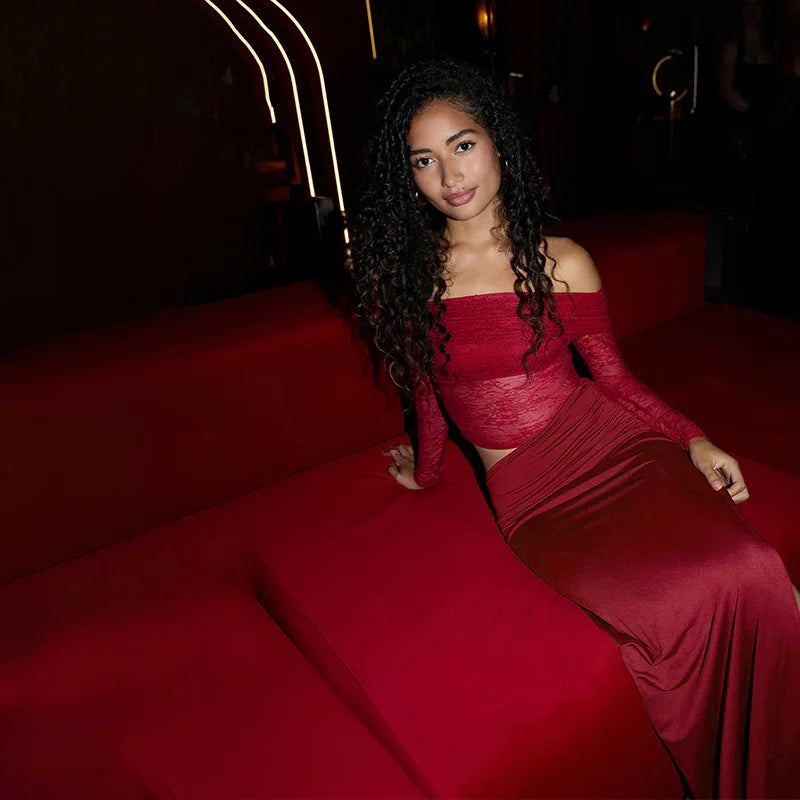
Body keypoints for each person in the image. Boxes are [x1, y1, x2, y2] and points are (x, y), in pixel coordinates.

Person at [350, 58, 800, 798]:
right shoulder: (408, 279)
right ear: (409, 177)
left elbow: (614, 382)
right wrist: (424, 473)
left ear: (497, 142)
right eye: (423, 160)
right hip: (536, 497)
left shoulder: (564, 262)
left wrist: (695, 438)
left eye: (462, 145)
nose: (448, 174)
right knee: (681, 597)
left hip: (611, 447)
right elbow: (430, 401)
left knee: (753, 567)